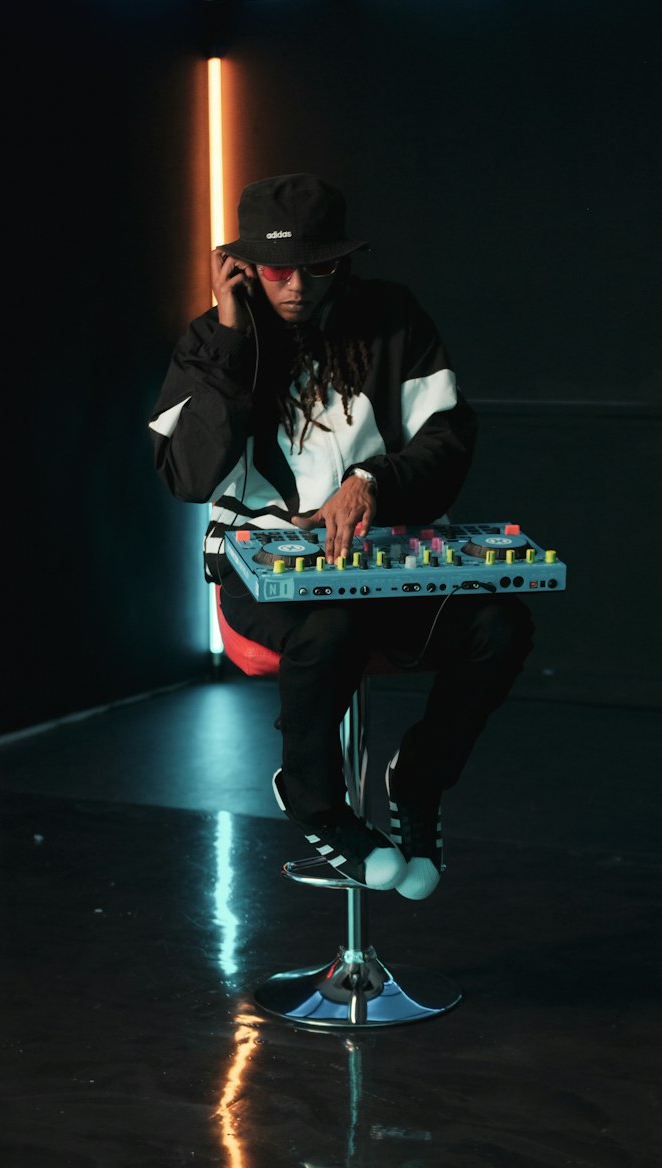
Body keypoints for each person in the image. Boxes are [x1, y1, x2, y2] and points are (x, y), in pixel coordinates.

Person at [150, 173, 532, 899]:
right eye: (275, 271)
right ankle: (314, 798)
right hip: (267, 577)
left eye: (315, 267)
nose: (294, 288)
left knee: (500, 626)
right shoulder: (211, 341)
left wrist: (374, 480)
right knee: (332, 623)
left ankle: (417, 781)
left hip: (386, 562)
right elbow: (187, 476)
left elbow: (449, 437)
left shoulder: (394, 319)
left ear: (342, 261)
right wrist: (232, 340)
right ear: (242, 268)